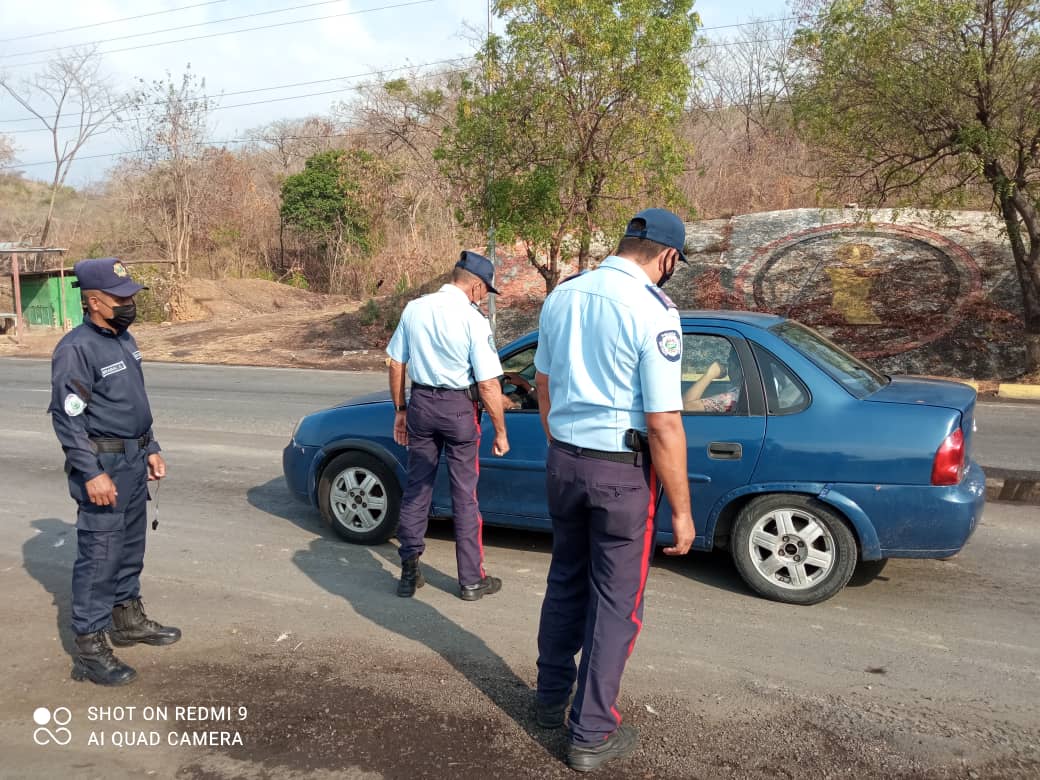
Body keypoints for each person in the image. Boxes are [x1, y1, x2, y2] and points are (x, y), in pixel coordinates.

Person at [532, 208, 696, 773]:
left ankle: (550, 698)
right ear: (667, 257)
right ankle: (591, 731)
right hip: (621, 474)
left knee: (565, 581)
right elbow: (664, 424)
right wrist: (683, 511)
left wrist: (565, 447)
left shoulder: (564, 296)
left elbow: (544, 386)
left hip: (565, 462)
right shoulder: (655, 312)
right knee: (614, 604)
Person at [49, 258, 180, 687]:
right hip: (102, 463)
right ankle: (89, 647)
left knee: (128, 547)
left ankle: (127, 619)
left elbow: (133, 402)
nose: (129, 303)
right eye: (120, 298)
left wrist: (151, 447)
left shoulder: (124, 338)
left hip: (133, 458)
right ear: (94, 301)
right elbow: (68, 418)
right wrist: (91, 473)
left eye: (130, 296)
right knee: (101, 553)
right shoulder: (76, 349)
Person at [387, 250, 510, 601]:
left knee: (417, 488)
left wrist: (400, 410)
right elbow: (487, 384)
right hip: (458, 410)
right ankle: (471, 581)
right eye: (486, 291)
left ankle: (409, 572)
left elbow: (396, 364)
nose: (485, 298)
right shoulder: (473, 320)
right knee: (465, 496)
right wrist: (500, 431)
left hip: (421, 405)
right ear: (475, 287)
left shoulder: (415, 309)